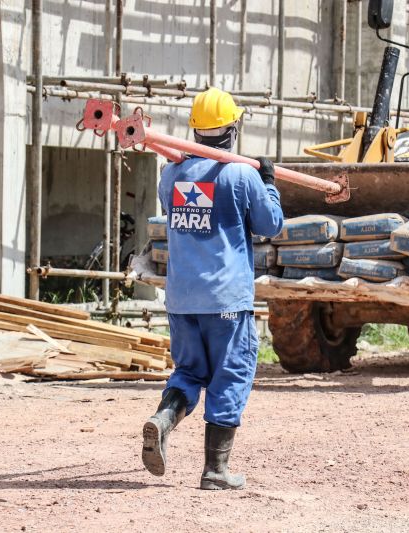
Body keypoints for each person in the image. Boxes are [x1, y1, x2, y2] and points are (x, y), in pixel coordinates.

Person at [141, 87, 284, 490]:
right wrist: (268, 182)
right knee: (230, 375)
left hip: (183, 298)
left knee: (189, 370)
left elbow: (180, 215)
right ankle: (215, 470)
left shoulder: (171, 175)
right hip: (225, 299)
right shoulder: (241, 174)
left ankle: (164, 418)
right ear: (233, 127)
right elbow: (271, 224)